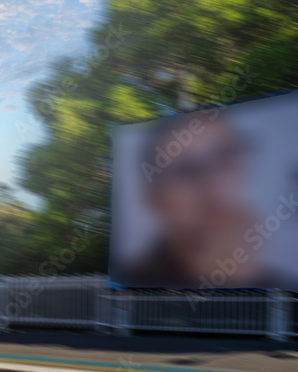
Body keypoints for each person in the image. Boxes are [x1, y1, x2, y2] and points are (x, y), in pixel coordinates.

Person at [120, 111, 298, 290]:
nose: (214, 182)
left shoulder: (281, 287)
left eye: (225, 158)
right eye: (186, 169)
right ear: (154, 199)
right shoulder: (133, 284)